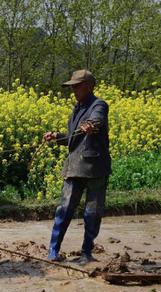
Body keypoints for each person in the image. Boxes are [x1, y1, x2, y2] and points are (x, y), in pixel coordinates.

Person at [43, 69, 111, 265]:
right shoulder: (77, 108)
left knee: (92, 212)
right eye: (72, 86)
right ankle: (53, 251)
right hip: (74, 167)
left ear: (89, 86)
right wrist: (57, 136)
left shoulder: (98, 105)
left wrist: (92, 125)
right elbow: (74, 138)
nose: (73, 89)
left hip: (95, 168)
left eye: (77, 85)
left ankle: (86, 252)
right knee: (63, 209)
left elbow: (96, 121)